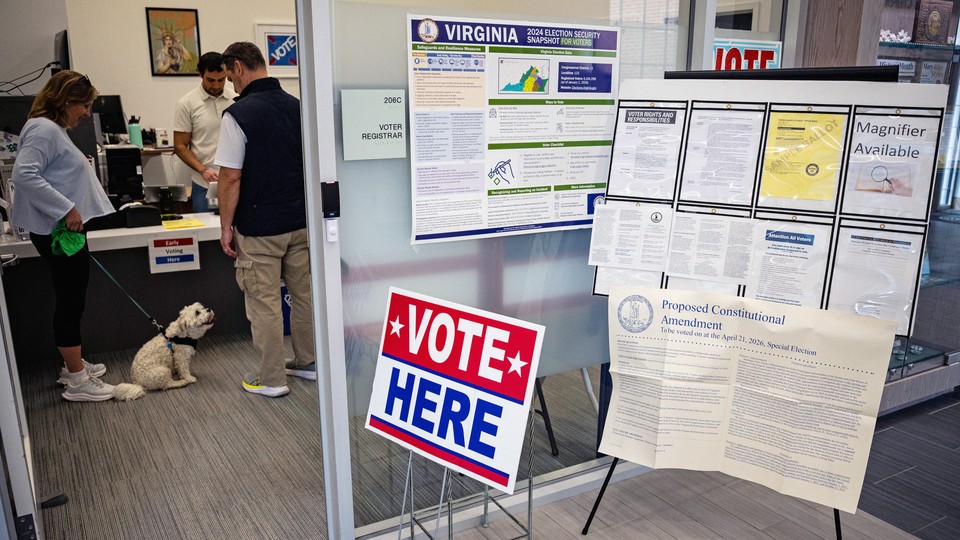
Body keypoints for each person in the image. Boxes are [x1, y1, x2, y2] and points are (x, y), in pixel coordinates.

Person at [214, 42, 315, 398]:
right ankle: (309, 362)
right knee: (304, 296)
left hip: (260, 229)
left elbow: (229, 178)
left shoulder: (238, 114)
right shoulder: (298, 107)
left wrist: (226, 227)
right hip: (301, 223)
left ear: (239, 67)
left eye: (230, 76)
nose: (231, 85)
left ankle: (272, 379)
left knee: (265, 303)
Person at [11, 70, 116, 402]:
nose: (86, 113)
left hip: (62, 231)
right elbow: (24, 174)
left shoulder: (49, 128)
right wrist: (67, 208)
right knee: (71, 302)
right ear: (67, 101)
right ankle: (77, 381)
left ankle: (74, 364)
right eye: (83, 106)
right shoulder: (44, 129)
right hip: (60, 231)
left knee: (72, 298)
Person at [173, 52, 237, 212]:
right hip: (204, 184)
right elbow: (180, 146)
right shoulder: (187, 103)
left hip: (235, 181)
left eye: (221, 80)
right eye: (210, 80)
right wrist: (203, 170)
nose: (216, 86)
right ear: (200, 74)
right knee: (206, 235)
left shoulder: (236, 98)